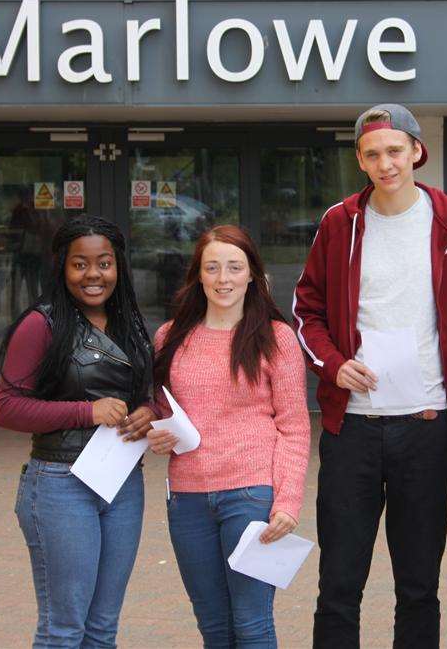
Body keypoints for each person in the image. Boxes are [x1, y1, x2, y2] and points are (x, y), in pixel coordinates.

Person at [293, 103, 447, 649]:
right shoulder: (340, 221)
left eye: (395, 151)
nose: (386, 163)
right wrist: (333, 364)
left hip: (425, 422)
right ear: (360, 160)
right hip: (350, 426)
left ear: (417, 151)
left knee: (419, 584)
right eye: (373, 154)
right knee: (339, 583)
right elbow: (308, 310)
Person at [0, 214, 156, 648]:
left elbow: (148, 391)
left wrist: (149, 411)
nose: (93, 275)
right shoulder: (40, 325)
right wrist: (87, 412)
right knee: (64, 629)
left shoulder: (132, 324)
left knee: (102, 629)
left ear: (118, 266)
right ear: (62, 267)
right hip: (60, 484)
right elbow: (6, 408)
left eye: (103, 263)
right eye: (79, 264)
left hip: (122, 483)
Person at [146, 225, 311, 649]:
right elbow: (162, 411)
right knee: (214, 628)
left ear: (252, 274)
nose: (224, 279)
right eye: (213, 268)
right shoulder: (169, 337)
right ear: (198, 275)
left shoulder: (277, 339)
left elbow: (294, 426)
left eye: (234, 267)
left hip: (251, 496)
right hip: (188, 499)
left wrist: (287, 501)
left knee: (252, 626)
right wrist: (156, 432)